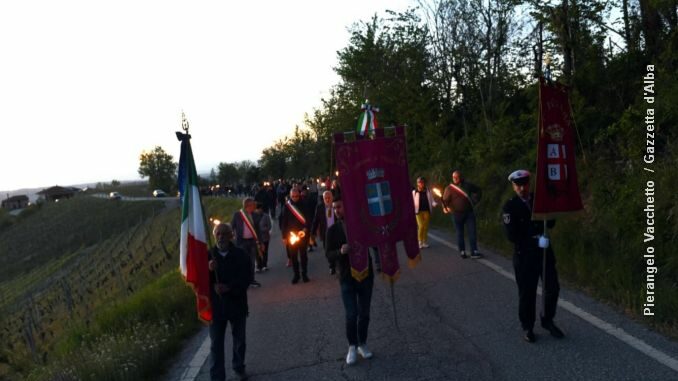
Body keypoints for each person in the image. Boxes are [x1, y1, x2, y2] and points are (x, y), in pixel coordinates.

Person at [502, 169, 564, 343]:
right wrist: (535, 239)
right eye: (518, 185)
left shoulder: (539, 199)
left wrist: (550, 204)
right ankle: (528, 326)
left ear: (529, 184)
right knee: (527, 293)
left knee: (552, 288)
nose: (522, 188)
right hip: (525, 256)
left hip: (544, 253)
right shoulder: (510, 206)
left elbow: (550, 223)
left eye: (525, 184)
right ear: (514, 187)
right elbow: (511, 235)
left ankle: (547, 319)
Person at [325, 197, 375, 365]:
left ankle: (362, 343)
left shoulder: (362, 224)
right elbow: (328, 254)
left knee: (365, 313)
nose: (337, 210)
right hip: (346, 276)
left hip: (365, 274)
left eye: (339, 206)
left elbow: (375, 240)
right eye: (334, 207)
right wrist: (340, 252)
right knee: (351, 314)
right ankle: (352, 346)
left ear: (346, 206)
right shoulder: (332, 230)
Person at [208, 223, 251, 381]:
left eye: (224, 233)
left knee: (240, 341)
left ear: (231, 235)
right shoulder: (209, 256)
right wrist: (209, 272)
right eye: (218, 234)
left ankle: (239, 367)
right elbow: (201, 282)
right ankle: (217, 377)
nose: (221, 237)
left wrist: (229, 288)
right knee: (216, 344)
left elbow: (247, 278)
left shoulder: (241, 255)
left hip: (237, 304)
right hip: (217, 308)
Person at [442, 169, 482, 259]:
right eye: (453, 177)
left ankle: (474, 251)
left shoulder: (468, 185)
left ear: (461, 177)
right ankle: (462, 251)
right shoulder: (449, 188)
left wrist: (475, 200)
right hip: (456, 214)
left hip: (469, 213)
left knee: (472, 232)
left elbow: (478, 190)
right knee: (459, 233)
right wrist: (445, 208)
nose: (455, 178)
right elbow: (445, 201)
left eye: (457, 176)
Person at [279, 188, 312, 284]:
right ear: (290, 196)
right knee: (293, 256)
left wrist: (306, 229)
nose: (295, 198)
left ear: (299, 195)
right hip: (291, 235)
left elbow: (309, 218)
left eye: (297, 196)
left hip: (302, 234)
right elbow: (283, 222)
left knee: (303, 255)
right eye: (293, 196)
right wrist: (284, 237)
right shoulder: (287, 207)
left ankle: (304, 274)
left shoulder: (305, 204)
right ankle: (296, 275)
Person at [231, 197, 262, 287]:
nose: (255, 206)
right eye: (253, 205)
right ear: (247, 205)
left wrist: (261, 242)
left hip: (252, 242)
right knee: (242, 262)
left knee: (251, 262)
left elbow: (258, 230)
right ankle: (244, 280)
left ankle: (252, 280)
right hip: (241, 242)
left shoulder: (255, 215)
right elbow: (232, 226)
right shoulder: (237, 215)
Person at [312, 190, 337, 274]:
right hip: (325, 233)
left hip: (336, 231)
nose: (327, 199)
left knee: (337, 248)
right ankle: (331, 265)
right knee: (327, 250)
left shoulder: (336, 205)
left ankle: (337, 264)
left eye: (329, 198)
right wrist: (313, 232)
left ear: (332, 198)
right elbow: (316, 220)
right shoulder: (320, 207)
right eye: (325, 198)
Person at [412, 176, 437, 249]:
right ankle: (420, 241)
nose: (421, 184)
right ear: (417, 184)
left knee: (425, 227)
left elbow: (432, 201)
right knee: (421, 226)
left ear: (424, 183)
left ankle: (424, 241)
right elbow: (411, 202)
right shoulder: (414, 192)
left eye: (422, 182)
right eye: (419, 182)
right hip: (418, 212)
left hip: (426, 211)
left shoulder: (428, 191)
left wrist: (434, 204)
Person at [255, 202, 271, 272]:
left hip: (265, 237)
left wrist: (262, 230)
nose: (259, 210)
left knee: (264, 251)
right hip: (256, 238)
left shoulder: (266, 216)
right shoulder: (253, 216)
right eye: (257, 209)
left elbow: (269, 226)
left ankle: (264, 265)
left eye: (260, 209)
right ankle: (259, 266)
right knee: (257, 252)